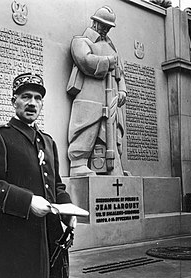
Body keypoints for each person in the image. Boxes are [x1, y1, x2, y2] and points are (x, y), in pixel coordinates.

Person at [0, 72, 76, 278]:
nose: (32, 103)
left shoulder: (49, 142)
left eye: (37, 98)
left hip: (50, 238)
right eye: (26, 96)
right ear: (13, 101)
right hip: (13, 242)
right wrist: (28, 201)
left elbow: (56, 186)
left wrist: (67, 209)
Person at [67, 6, 127, 177]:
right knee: (87, 126)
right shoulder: (81, 41)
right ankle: (78, 164)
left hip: (112, 95)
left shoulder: (111, 46)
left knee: (113, 131)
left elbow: (120, 73)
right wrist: (108, 61)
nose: (105, 29)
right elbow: (85, 60)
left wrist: (122, 90)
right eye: (103, 25)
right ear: (94, 22)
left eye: (108, 26)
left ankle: (114, 167)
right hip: (89, 93)